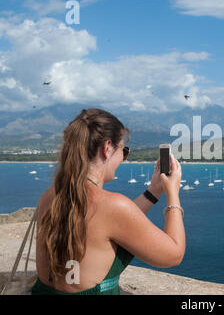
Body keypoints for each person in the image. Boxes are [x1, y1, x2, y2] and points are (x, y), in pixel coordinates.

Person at [31, 108, 185, 295]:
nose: (123, 158)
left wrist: (153, 191)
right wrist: (173, 194)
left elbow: (111, 223)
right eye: (124, 150)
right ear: (107, 148)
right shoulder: (113, 207)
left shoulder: (51, 195)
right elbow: (173, 255)